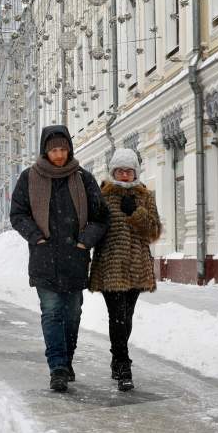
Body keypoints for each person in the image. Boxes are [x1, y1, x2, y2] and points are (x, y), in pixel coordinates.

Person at [10, 125, 109, 393]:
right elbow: (18, 214)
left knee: (73, 314)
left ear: (69, 149)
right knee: (52, 312)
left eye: (63, 149)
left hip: (75, 258)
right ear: (46, 150)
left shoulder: (82, 178)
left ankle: (66, 360)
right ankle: (58, 368)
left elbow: (101, 217)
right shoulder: (29, 178)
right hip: (44, 259)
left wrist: (84, 241)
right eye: (54, 150)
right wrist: (36, 237)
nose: (59, 155)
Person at [89, 148, 162, 392]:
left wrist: (136, 213)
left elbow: (153, 231)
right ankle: (123, 366)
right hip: (111, 266)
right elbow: (94, 227)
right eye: (120, 170)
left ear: (135, 172)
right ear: (112, 172)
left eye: (129, 170)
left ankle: (116, 356)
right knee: (117, 317)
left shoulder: (145, 196)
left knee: (126, 318)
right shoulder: (103, 196)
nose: (124, 174)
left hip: (137, 267)